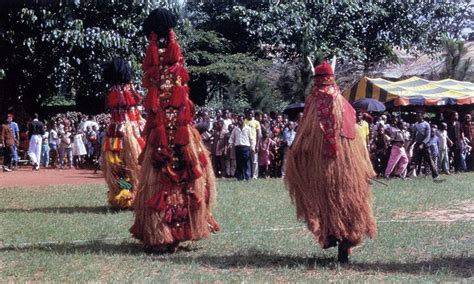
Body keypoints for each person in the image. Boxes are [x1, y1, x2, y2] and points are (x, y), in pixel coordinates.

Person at [130, 8, 219, 253]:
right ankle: (184, 229)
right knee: (191, 177)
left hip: (163, 133)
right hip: (180, 133)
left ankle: (163, 231)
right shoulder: (177, 61)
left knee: (158, 179)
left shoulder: (155, 65)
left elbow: (154, 100)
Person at [284, 62, 376, 263]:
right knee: (346, 199)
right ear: (332, 78)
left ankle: (331, 235)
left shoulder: (313, 102)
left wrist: (296, 156)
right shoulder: (343, 103)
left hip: (320, 167)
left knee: (324, 201)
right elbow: (354, 137)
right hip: (346, 166)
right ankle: (345, 241)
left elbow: (302, 137)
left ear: (316, 80)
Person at [101, 58, 146, 209]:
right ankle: (130, 192)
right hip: (130, 132)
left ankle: (126, 191)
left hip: (118, 133)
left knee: (117, 165)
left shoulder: (115, 91)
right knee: (129, 165)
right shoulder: (129, 89)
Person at [411, 112, 439, 179]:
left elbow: (428, 136)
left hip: (425, 145)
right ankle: (410, 174)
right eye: (416, 116)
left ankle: (435, 174)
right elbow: (414, 136)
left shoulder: (426, 125)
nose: (417, 117)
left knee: (429, 160)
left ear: (422, 116)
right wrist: (411, 144)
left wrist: (422, 144)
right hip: (417, 144)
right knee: (414, 160)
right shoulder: (415, 125)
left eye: (419, 116)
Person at [229, 115, 254, 181]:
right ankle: (240, 177)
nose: (239, 121)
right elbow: (232, 137)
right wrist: (230, 143)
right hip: (238, 147)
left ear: (243, 120)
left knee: (246, 162)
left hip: (246, 147)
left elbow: (251, 138)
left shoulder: (248, 128)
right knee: (239, 163)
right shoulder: (235, 129)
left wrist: (252, 147)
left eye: (241, 120)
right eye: (238, 120)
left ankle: (247, 176)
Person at [244, 109, 261, 179]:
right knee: (247, 159)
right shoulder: (244, 121)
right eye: (249, 113)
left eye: (252, 114)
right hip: (245, 141)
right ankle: (247, 174)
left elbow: (259, 134)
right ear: (247, 114)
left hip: (253, 141)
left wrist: (257, 144)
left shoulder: (256, 122)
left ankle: (254, 175)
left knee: (254, 160)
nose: (250, 115)